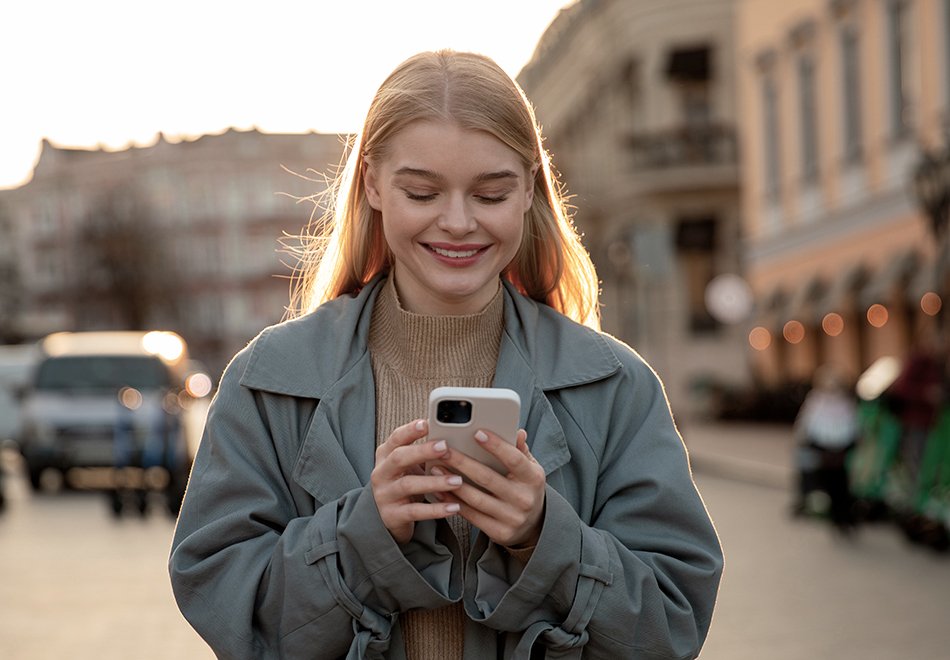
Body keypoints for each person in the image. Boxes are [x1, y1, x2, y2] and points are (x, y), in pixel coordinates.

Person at [169, 50, 722, 659]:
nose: (457, 223)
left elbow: (674, 622)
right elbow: (224, 604)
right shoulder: (266, 381)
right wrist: (363, 535)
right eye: (422, 191)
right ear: (373, 184)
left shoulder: (616, 386)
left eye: (490, 194)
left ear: (529, 189)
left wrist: (545, 538)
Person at [792, 364, 860, 533]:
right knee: (828, 485)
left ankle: (844, 517)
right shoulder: (816, 400)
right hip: (823, 452)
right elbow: (807, 425)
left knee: (842, 486)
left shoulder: (844, 402)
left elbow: (851, 425)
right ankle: (835, 517)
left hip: (840, 453)